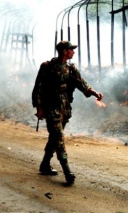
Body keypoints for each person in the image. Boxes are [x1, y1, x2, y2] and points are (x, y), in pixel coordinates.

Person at [32, 40, 103, 185]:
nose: (73, 52)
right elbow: (39, 88)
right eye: (71, 49)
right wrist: (39, 108)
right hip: (51, 107)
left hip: (64, 107)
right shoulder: (47, 67)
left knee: (54, 137)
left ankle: (45, 165)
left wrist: (94, 92)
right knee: (58, 138)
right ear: (65, 51)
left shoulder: (71, 69)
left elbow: (81, 83)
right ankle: (67, 171)